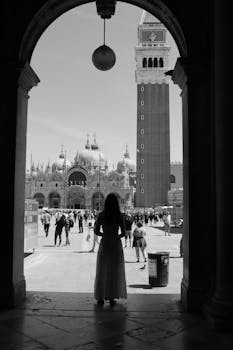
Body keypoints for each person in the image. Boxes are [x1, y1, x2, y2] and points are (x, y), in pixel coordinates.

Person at [94, 193, 127, 306]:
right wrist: (116, 236)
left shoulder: (101, 215)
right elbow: (123, 232)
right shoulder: (119, 215)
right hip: (115, 244)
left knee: (102, 269)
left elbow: (96, 231)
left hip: (105, 243)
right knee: (114, 269)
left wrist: (105, 234)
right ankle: (112, 297)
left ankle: (100, 297)